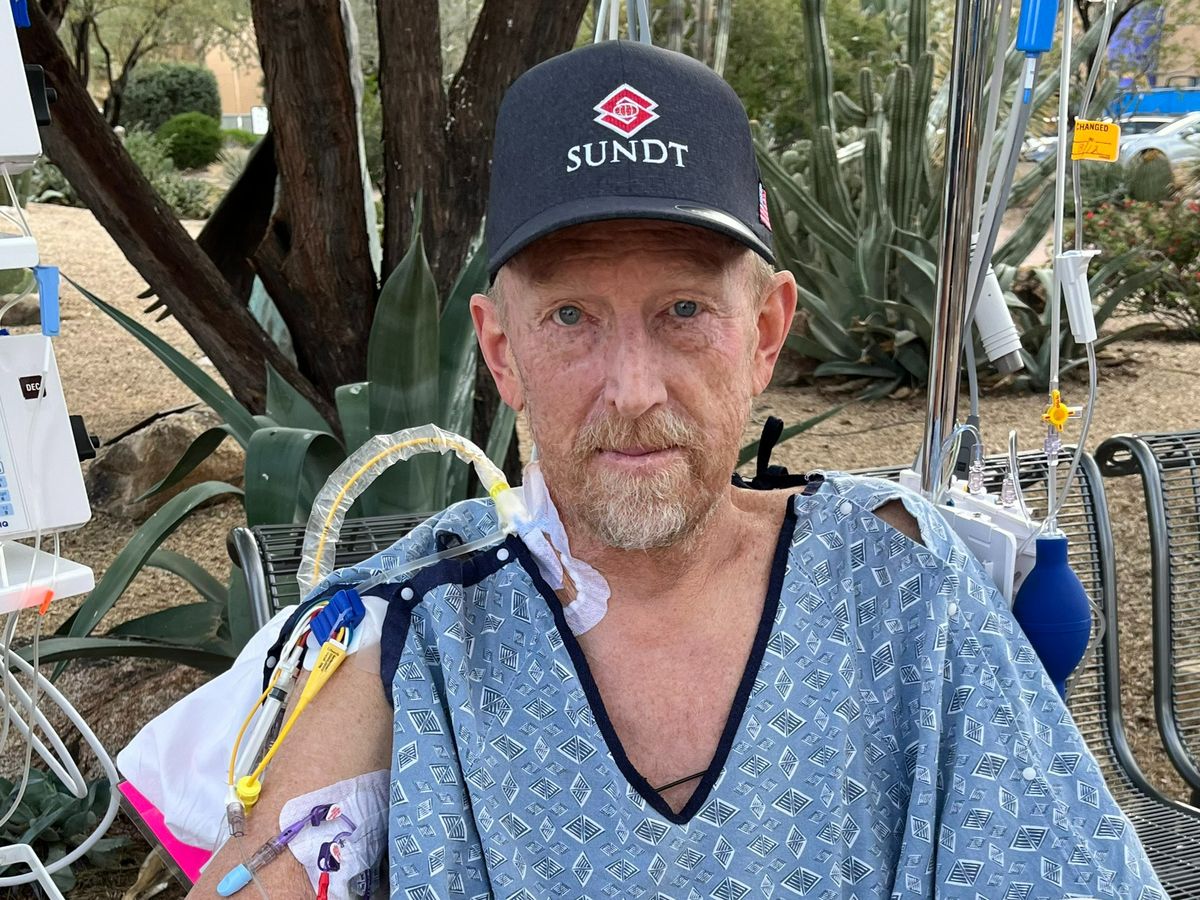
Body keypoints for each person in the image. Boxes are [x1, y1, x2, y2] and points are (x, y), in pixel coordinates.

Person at [187, 39, 1164, 899]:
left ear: (767, 333)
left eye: (685, 311)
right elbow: (273, 865)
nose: (633, 390)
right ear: (501, 352)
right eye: (571, 316)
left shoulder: (897, 582)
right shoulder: (415, 626)